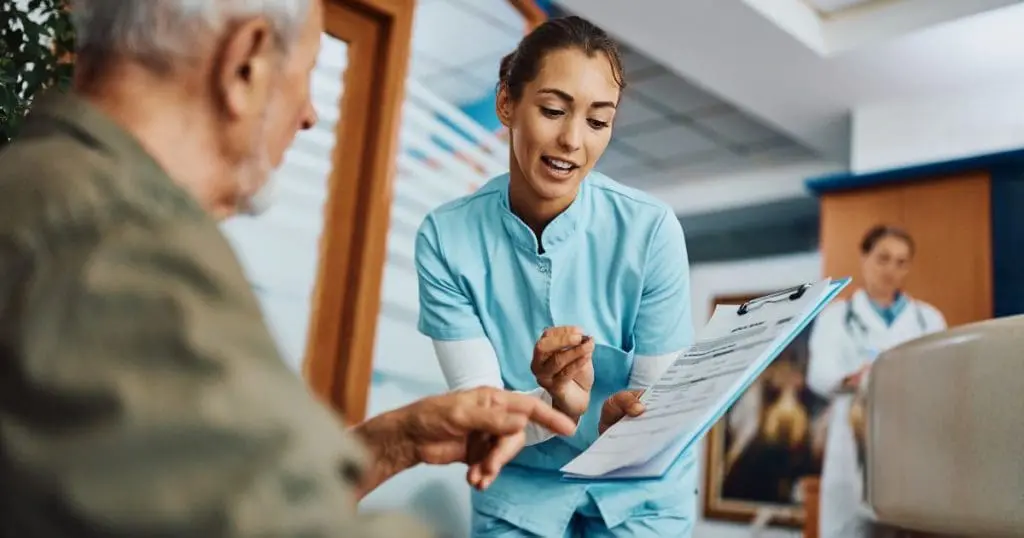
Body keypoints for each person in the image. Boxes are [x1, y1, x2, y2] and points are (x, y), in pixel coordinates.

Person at [0, 1, 629, 536]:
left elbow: (172, 485)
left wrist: (394, 443)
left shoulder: (48, 194)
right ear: (244, 63)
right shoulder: (111, 240)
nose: (308, 113)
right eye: (305, 75)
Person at [414, 16, 696, 538]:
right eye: (552, 110)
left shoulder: (650, 231)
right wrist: (558, 404)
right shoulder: (446, 238)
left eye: (598, 121)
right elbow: (482, 422)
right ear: (506, 104)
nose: (572, 140)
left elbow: (658, 406)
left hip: (637, 489)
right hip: (519, 491)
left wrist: (625, 422)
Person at [807, 224, 947, 538]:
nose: (891, 270)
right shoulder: (836, 317)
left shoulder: (929, 319)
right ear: (864, 257)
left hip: (910, 439)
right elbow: (818, 375)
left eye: (901, 262)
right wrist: (853, 376)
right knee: (850, 527)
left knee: (907, 524)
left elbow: (942, 380)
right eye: (883, 258)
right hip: (851, 437)